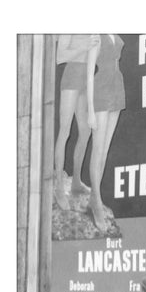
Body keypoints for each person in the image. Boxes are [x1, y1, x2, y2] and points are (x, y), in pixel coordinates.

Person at [54, 34, 99, 210]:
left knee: (86, 131)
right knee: (65, 131)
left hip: (88, 79)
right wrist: (85, 46)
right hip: (72, 76)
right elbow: (60, 57)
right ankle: (58, 187)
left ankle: (76, 181)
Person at [86, 34, 126, 231]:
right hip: (101, 89)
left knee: (105, 151)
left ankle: (94, 198)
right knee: (97, 150)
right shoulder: (96, 34)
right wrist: (90, 111)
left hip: (117, 86)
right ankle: (97, 203)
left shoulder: (115, 34)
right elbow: (89, 73)